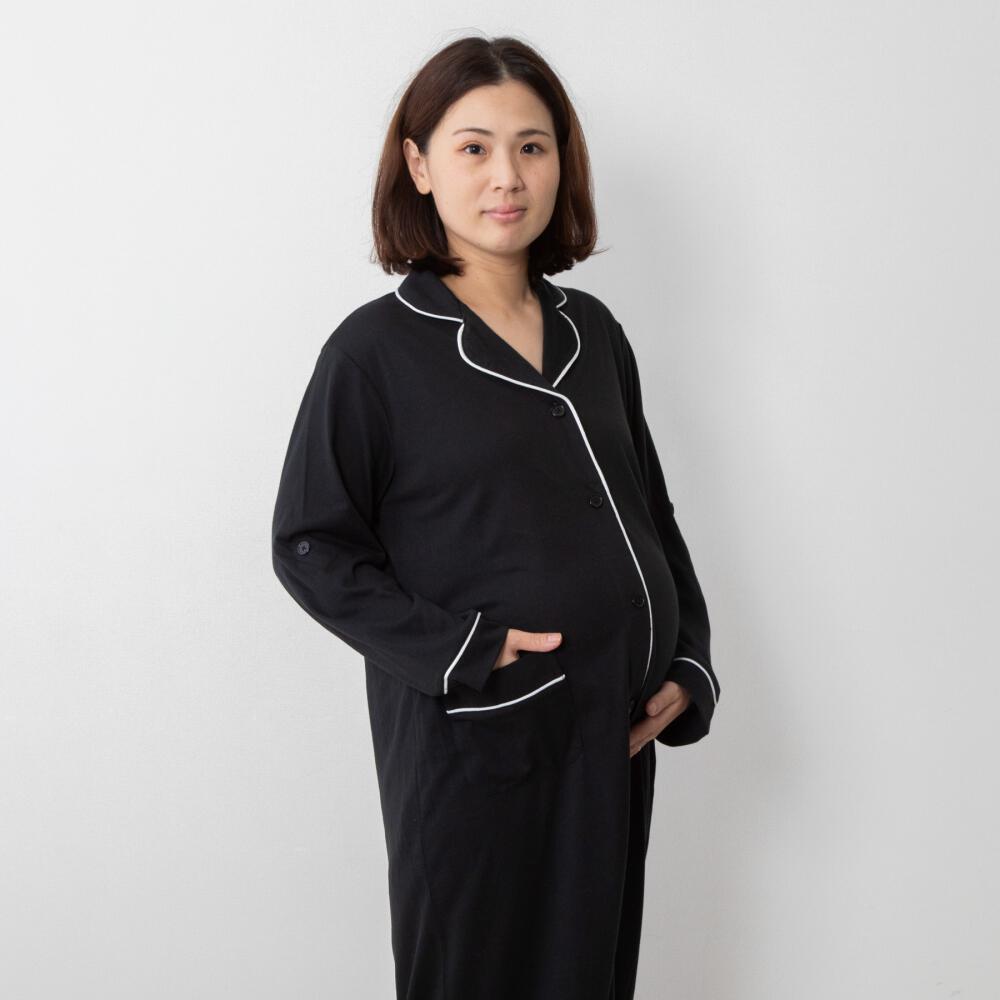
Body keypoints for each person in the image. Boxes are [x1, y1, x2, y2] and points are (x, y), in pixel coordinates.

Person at [271, 34, 721, 1000]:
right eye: (473, 148)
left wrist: (688, 657)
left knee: (589, 975)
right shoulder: (374, 354)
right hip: (476, 748)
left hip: (609, 736)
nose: (507, 176)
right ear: (419, 165)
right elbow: (310, 545)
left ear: (563, 162)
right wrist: (466, 651)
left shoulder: (593, 333)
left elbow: (649, 510)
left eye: (532, 146)